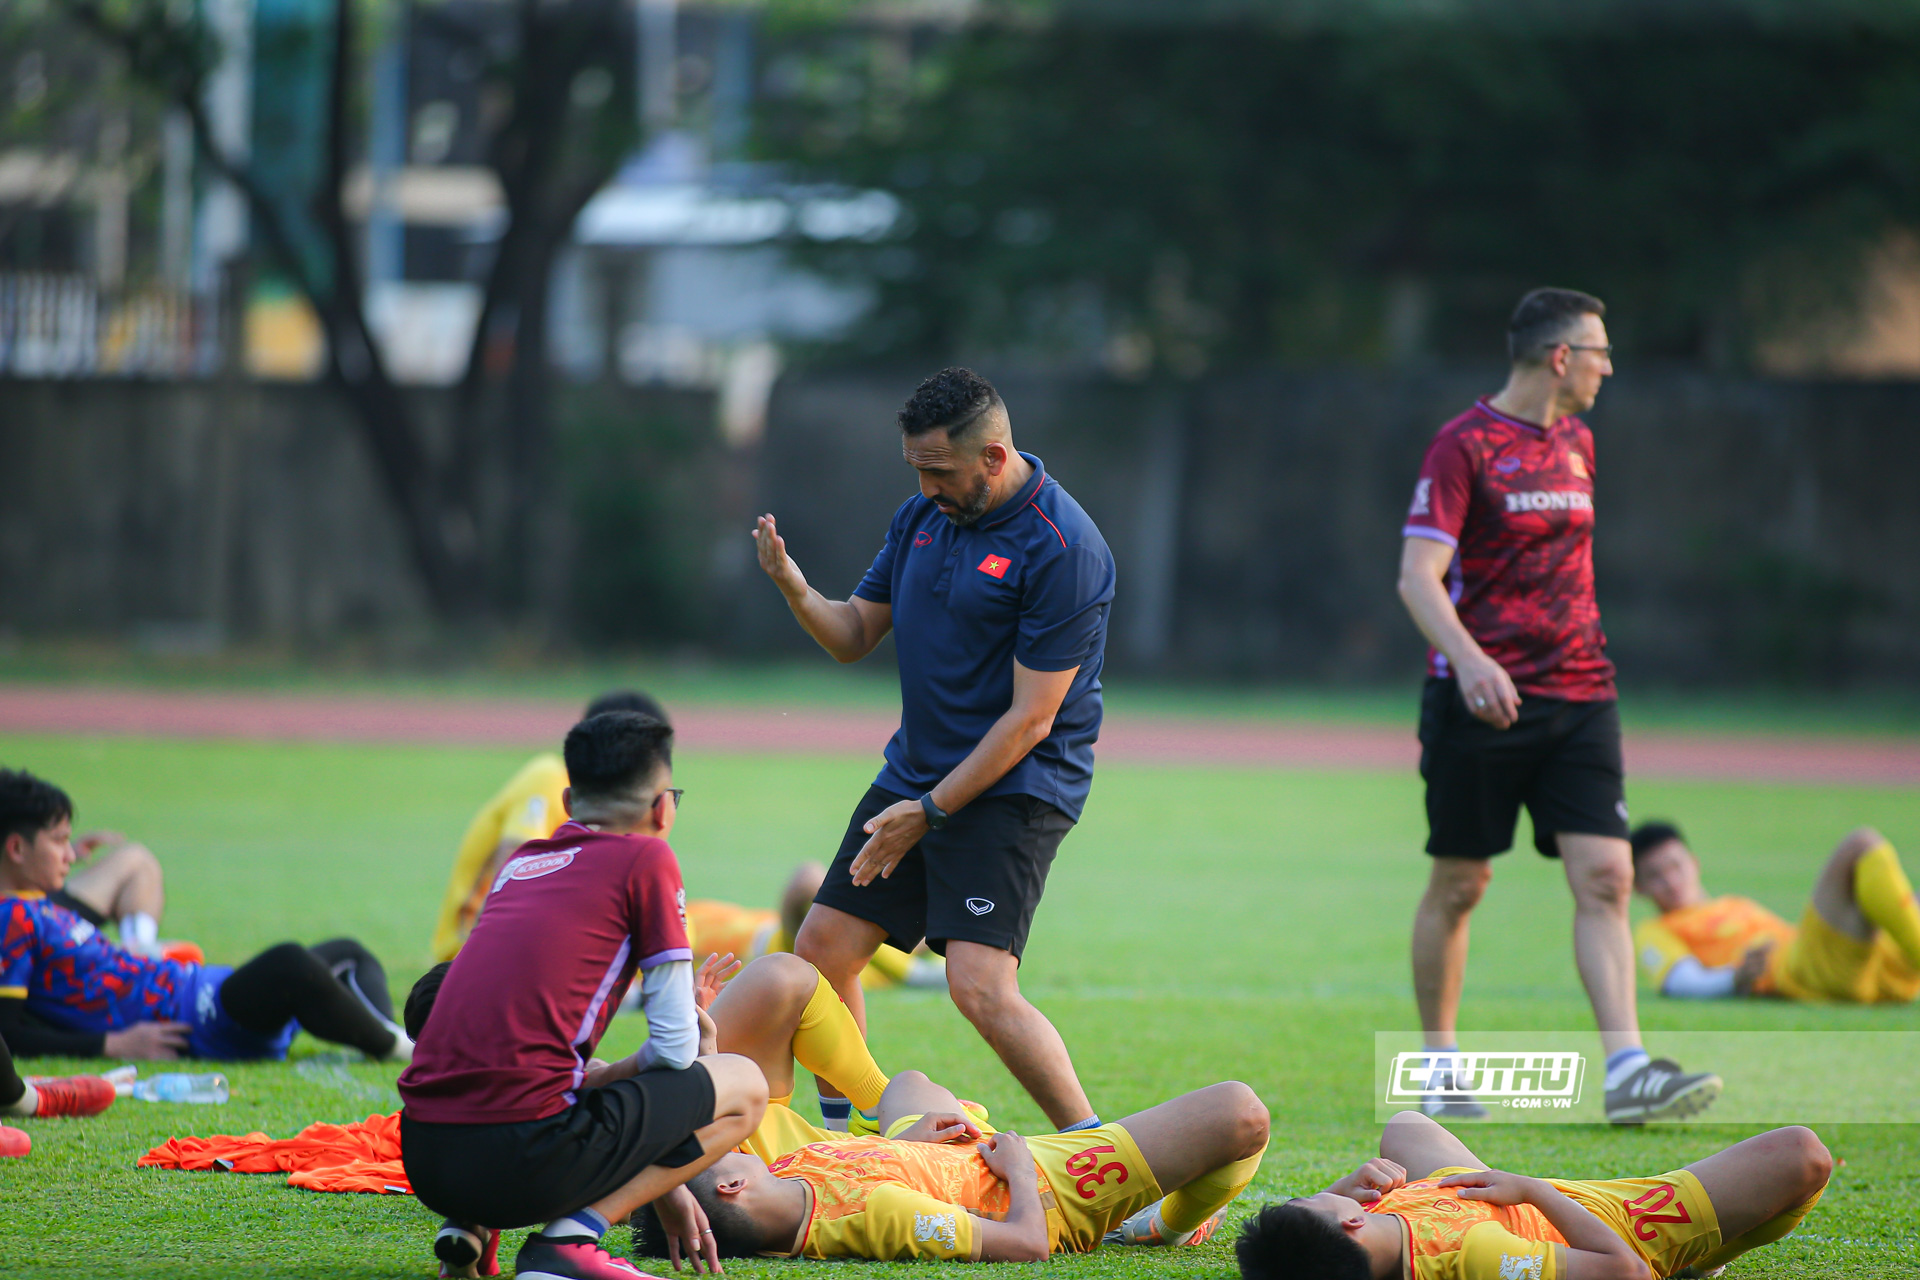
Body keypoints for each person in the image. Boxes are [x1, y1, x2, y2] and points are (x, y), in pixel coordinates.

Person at [754, 366, 1116, 1134]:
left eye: (940, 472)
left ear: (993, 456)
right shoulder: (921, 519)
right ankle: (854, 1128)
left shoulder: (1065, 548)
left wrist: (929, 811)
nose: (926, 488)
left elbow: (1029, 722)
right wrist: (793, 586)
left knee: (978, 984)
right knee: (822, 947)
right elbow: (854, 634)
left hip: (1017, 784)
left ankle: (1106, 1164)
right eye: (916, 470)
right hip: (917, 774)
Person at [1396, 288, 1718, 1124]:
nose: (1611, 366)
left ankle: (1629, 1071)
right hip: (1483, 701)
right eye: (1600, 351)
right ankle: (1439, 1065)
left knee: (1609, 875)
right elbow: (1416, 578)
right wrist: (1469, 662)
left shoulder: (1578, 441)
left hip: (1582, 692)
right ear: (1560, 357)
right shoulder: (1462, 446)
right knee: (1462, 884)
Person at [399, 711, 770, 1280]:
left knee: (570, 1069)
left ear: (569, 801)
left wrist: (595, 1077)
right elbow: (675, 1051)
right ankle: (568, 1244)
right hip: (523, 1157)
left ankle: (469, 1223)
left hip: (425, 1157)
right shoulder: (648, 859)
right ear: (663, 808)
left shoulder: (522, 863)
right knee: (742, 1081)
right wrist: (618, 1091)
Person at [635, 1060, 1268, 1262]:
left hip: (949, 1151)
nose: (720, 1144)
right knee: (1241, 1114)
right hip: (1044, 1185)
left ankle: (929, 1129)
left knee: (908, 1082)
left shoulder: (783, 1177)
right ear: (735, 1185)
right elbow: (1024, 1245)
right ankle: (1164, 1223)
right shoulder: (876, 1216)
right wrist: (1018, 1168)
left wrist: (915, 1149)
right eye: (704, 1159)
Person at [0, 768, 409, 1065]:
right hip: (195, 1018)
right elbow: (9, 1033)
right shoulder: (11, 919)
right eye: (59, 842)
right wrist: (110, 1044)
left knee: (349, 951)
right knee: (290, 963)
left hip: (202, 990)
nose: (71, 855)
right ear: (16, 849)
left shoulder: (37, 905)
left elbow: (132, 864)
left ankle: (380, 1036)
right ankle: (403, 1050)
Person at [1236, 1110, 1830, 1280]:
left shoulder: (1370, 1232)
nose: (1316, 1194)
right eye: (1313, 1200)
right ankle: (1702, 1259)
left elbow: (1327, 1219)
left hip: (1483, 1195)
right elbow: (1621, 1273)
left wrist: (1348, 1190)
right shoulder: (1475, 1260)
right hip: (1615, 1224)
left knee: (1406, 1125)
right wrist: (1535, 1191)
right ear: (1349, 1228)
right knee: (1803, 1155)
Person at [429, 689, 667, 962]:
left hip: (541, 939)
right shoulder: (549, 777)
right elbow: (507, 890)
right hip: (477, 949)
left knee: (695, 922)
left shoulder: (615, 806)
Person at [1632, 822, 1920, 1003]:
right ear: (1639, 888)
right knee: (1861, 844)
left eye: (1675, 866)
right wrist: (1733, 979)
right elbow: (1680, 982)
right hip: (1805, 972)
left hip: (1876, 972)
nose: (1671, 882)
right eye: (1655, 876)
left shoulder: (1734, 903)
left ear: (1693, 863)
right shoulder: (1655, 929)